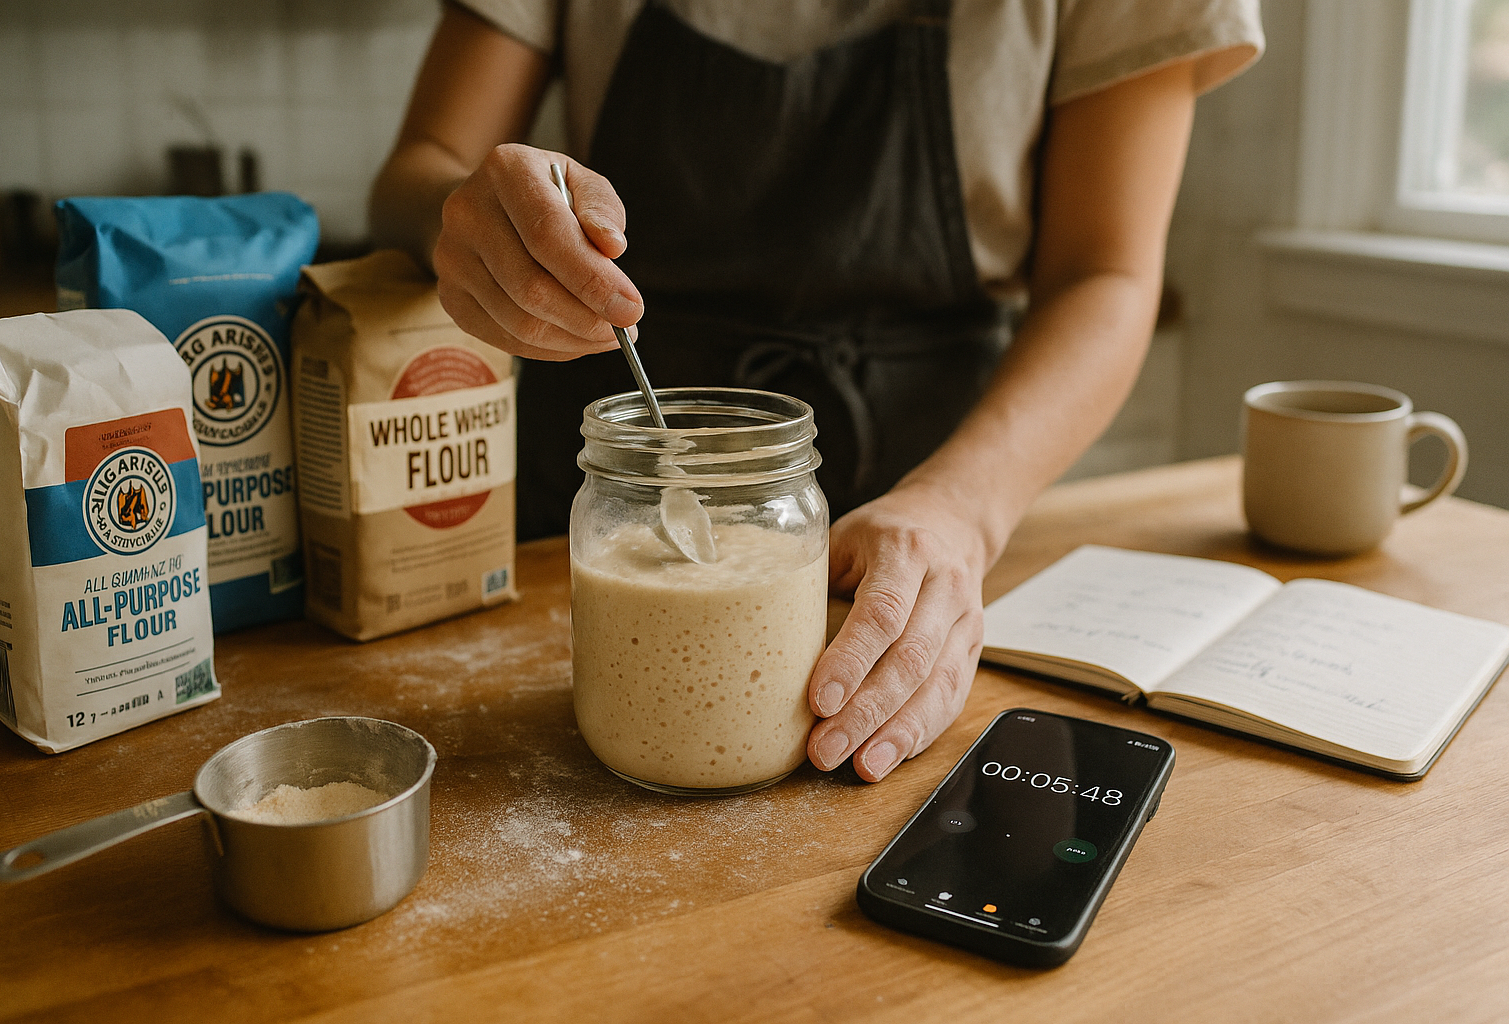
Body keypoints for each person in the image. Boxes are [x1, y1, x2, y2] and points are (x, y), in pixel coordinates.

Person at [370, 0, 1263, 783]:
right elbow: (420, 168)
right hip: (633, 436)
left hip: (948, 469)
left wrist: (961, 510)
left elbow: (1105, 273)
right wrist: (467, 213)